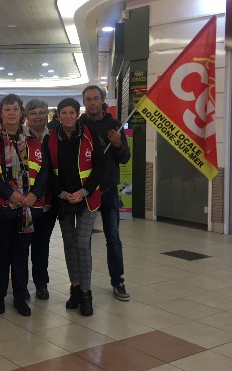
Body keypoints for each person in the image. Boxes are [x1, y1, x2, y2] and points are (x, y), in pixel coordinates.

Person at [0, 94, 48, 316]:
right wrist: (10, 194)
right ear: (0, 113)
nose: (11, 113)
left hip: (27, 208)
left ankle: (19, 297)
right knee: (1, 256)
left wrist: (34, 195)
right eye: (7, 109)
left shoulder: (33, 138)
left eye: (15, 109)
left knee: (20, 256)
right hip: (2, 207)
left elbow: (44, 169)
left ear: (21, 113)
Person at [45, 98, 105, 316]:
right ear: (58, 115)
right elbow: (47, 171)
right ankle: (76, 288)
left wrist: (85, 190)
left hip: (88, 198)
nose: (68, 116)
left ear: (77, 114)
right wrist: (61, 193)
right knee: (70, 244)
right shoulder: (50, 138)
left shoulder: (89, 136)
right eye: (64, 113)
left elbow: (100, 167)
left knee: (81, 242)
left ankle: (87, 293)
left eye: (72, 112)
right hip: (63, 199)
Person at [79, 85, 131, 301]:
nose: (92, 103)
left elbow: (125, 157)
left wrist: (118, 144)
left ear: (102, 100)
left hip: (108, 190)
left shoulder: (114, 125)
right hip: (86, 191)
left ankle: (118, 281)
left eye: (95, 98)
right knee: (84, 240)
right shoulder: (79, 125)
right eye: (88, 99)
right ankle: (84, 284)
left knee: (113, 238)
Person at [25, 98, 56, 300]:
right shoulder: (19, 137)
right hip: (25, 201)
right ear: (26, 116)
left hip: (49, 201)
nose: (37, 116)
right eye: (33, 112)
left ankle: (41, 282)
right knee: (21, 246)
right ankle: (21, 284)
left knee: (41, 244)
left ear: (47, 115)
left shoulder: (55, 137)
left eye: (41, 112)